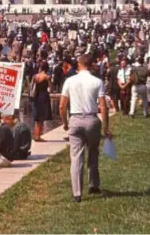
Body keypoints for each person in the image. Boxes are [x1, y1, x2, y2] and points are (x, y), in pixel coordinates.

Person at [59, 54, 111, 203]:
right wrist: (106, 127)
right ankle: (93, 183)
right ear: (91, 65)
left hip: (75, 118)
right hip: (92, 118)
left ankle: (77, 192)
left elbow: (62, 105)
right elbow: (103, 106)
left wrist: (65, 123)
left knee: (76, 157)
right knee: (93, 152)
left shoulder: (69, 80)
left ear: (78, 64)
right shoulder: (97, 81)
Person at [31, 61, 52, 141]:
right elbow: (51, 89)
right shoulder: (47, 77)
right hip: (44, 97)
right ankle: (38, 136)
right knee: (42, 117)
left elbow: (31, 87)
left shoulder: (35, 76)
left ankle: (36, 135)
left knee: (37, 117)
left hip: (36, 96)